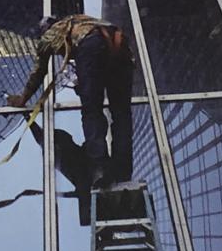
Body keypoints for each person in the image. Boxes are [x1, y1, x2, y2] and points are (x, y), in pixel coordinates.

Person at [7, 14, 134, 187]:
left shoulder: (50, 34)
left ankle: (100, 168)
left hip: (92, 45)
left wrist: (23, 98)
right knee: (121, 114)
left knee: (91, 111)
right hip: (119, 44)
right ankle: (123, 171)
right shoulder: (80, 20)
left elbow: (39, 71)